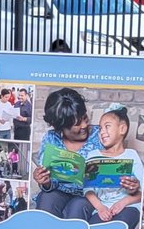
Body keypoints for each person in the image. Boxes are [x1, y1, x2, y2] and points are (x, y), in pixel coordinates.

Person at [32, 87, 103, 220]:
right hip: (59, 191)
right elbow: (49, 182)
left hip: (89, 195)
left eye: (85, 118)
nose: (83, 125)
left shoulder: (100, 136)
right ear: (61, 126)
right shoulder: (51, 139)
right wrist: (45, 181)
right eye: (77, 124)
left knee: (77, 207)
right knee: (46, 200)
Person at [82, 104, 143, 229]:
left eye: (107, 126)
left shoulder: (132, 155)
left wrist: (123, 202)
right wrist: (100, 208)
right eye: (100, 128)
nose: (102, 132)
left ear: (122, 129)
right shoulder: (93, 155)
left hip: (128, 207)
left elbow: (142, 193)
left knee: (118, 228)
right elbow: (87, 190)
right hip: (102, 207)